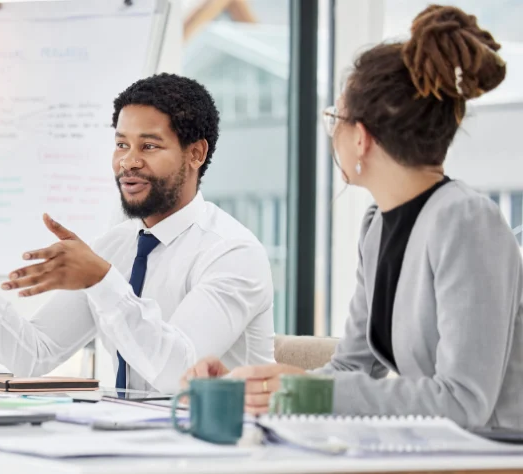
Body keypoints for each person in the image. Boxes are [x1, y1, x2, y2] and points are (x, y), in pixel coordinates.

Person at [185, 5, 523, 430]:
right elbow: (351, 370)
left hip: (495, 452)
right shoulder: (378, 225)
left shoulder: (467, 221)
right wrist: (252, 386)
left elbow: (464, 401)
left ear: (361, 138)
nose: (332, 132)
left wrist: (305, 393)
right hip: (429, 448)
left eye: (335, 119)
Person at [0, 74, 275, 394]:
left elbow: (180, 374)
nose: (128, 162)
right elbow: (32, 356)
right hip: (124, 442)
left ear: (196, 154)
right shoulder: (116, 245)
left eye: (149, 146)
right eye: (121, 144)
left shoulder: (232, 253)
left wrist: (102, 281)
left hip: (209, 450)